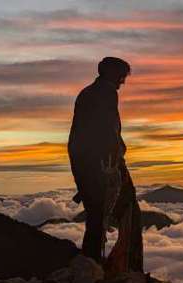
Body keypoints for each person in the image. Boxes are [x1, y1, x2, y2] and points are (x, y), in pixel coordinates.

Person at [68, 57, 143, 271]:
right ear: (112, 74)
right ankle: (123, 268)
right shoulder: (106, 93)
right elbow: (107, 131)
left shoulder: (88, 93)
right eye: (122, 76)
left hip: (85, 163)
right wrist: (113, 162)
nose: (123, 82)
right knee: (128, 210)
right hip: (103, 163)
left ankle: (92, 266)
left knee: (96, 217)